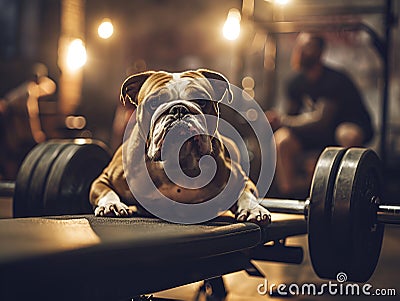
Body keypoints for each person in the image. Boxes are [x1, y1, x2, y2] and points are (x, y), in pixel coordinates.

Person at [266, 33, 374, 197]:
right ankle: (291, 191)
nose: (301, 51)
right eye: (299, 46)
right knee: (282, 138)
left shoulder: (335, 79)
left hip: (342, 126)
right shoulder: (295, 82)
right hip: (317, 135)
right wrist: (279, 120)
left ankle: (345, 190)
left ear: (320, 52)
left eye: (307, 47)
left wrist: (283, 120)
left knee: (347, 133)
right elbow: (291, 116)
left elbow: (322, 120)